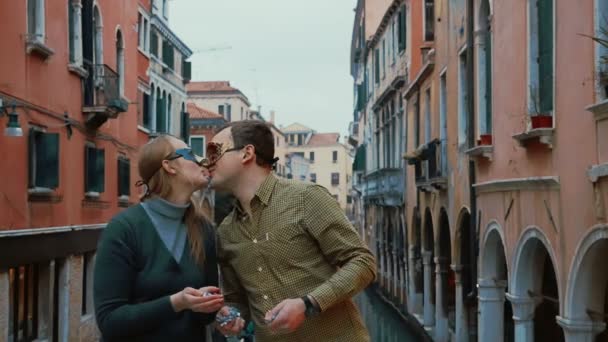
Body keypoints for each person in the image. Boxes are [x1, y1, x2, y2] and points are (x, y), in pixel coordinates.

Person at [206, 120, 377, 341]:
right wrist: (231, 316)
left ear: (246, 153)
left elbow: (363, 262)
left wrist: (308, 304)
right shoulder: (225, 232)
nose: (207, 162)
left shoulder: (306, 198)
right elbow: (237, 301)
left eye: (214, 153)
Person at [94, 135, 224, 341]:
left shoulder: (204, 229)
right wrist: (175, 303)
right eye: (189, 154)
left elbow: (204, 315)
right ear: (170, 166)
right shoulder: (124, 228)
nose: (201, 161)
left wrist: (220, 314)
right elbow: (109, 321)